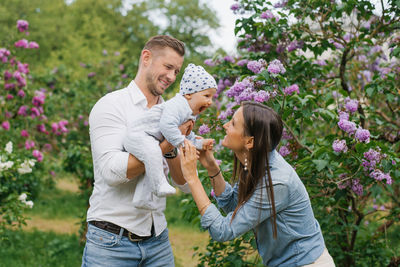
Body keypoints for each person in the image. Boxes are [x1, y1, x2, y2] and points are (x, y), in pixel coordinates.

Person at [179, 101, 336, 267]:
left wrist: (192, 179)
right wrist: (211, 167)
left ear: (249, 142)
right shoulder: (256, 161)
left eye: (233, 123)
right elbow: (233, 205)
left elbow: (224, 231)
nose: (225, 125)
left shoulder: (276, 183)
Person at [81, 35, 193, 267]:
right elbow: (112, 173)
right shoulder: (111, 105)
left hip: (158, 241)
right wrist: (164, 145)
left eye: (177, 71)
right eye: (168, 67)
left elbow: (182, 183)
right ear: (146, 57)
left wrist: (173, 147)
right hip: (111, 242)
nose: (172, 77)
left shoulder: (171, 113)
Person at [123, 63, 216, 210]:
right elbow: (167, 126)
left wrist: (199, 143)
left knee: (150, 162)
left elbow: (185, 134)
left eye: (212, 97)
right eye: (206, 96)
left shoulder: (189, 112)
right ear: (189, 94)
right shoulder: (177, 105)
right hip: (139, 134)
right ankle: (159, 184)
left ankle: (142, 199)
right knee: (154, 154)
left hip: (150, 138)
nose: (210, 101)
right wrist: (181, 142)